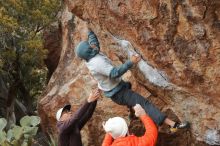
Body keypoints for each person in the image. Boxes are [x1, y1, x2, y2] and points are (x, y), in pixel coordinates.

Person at [75, 27, 189, 132]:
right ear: (88, 51)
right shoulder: (97, 63)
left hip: (118, 87)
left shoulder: (89, 55)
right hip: (118, 93)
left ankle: (133, 112)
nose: (92, 46)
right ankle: (173, 125)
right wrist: (131, 62)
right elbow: (115, 73)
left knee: (128, 86)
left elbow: (94, 44)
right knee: (144, 103)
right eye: (89, 46)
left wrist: (90, 30)